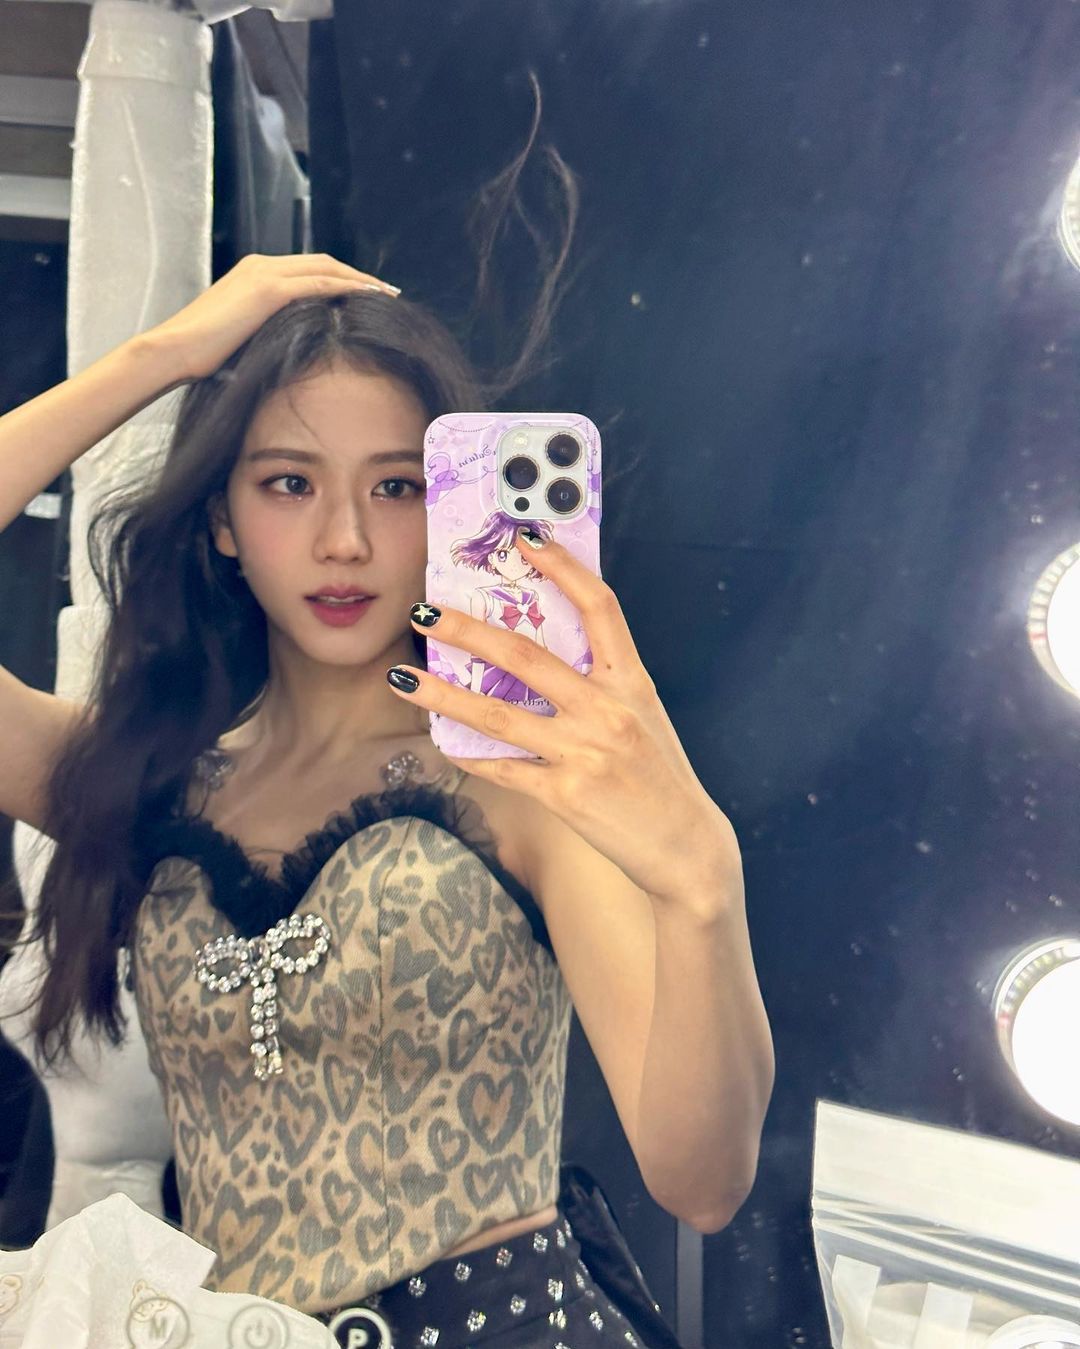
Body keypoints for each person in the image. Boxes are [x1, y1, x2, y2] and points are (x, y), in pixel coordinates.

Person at [0, 251, 774, 1346]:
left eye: (397, 486)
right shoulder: (151, 783)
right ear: (221, 519)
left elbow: (701, 1181)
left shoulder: (522, 781)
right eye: (288, 482)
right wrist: (165, 355)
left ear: (453, 507)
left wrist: (704, 881)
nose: (345, 540)